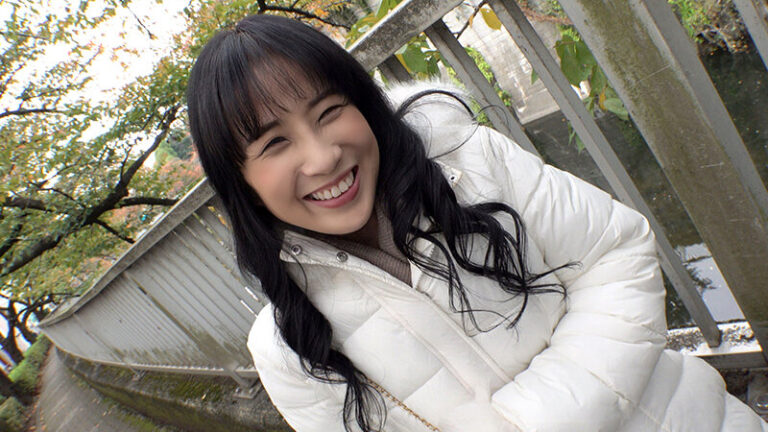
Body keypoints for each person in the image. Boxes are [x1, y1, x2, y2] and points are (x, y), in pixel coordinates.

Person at [186, 14, 768, 432]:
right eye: (276, 143)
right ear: (240, 180)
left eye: (330, 111)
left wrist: (536, 419)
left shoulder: (469, 162)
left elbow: (614, 254)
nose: (323, 157)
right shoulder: (289, 349)